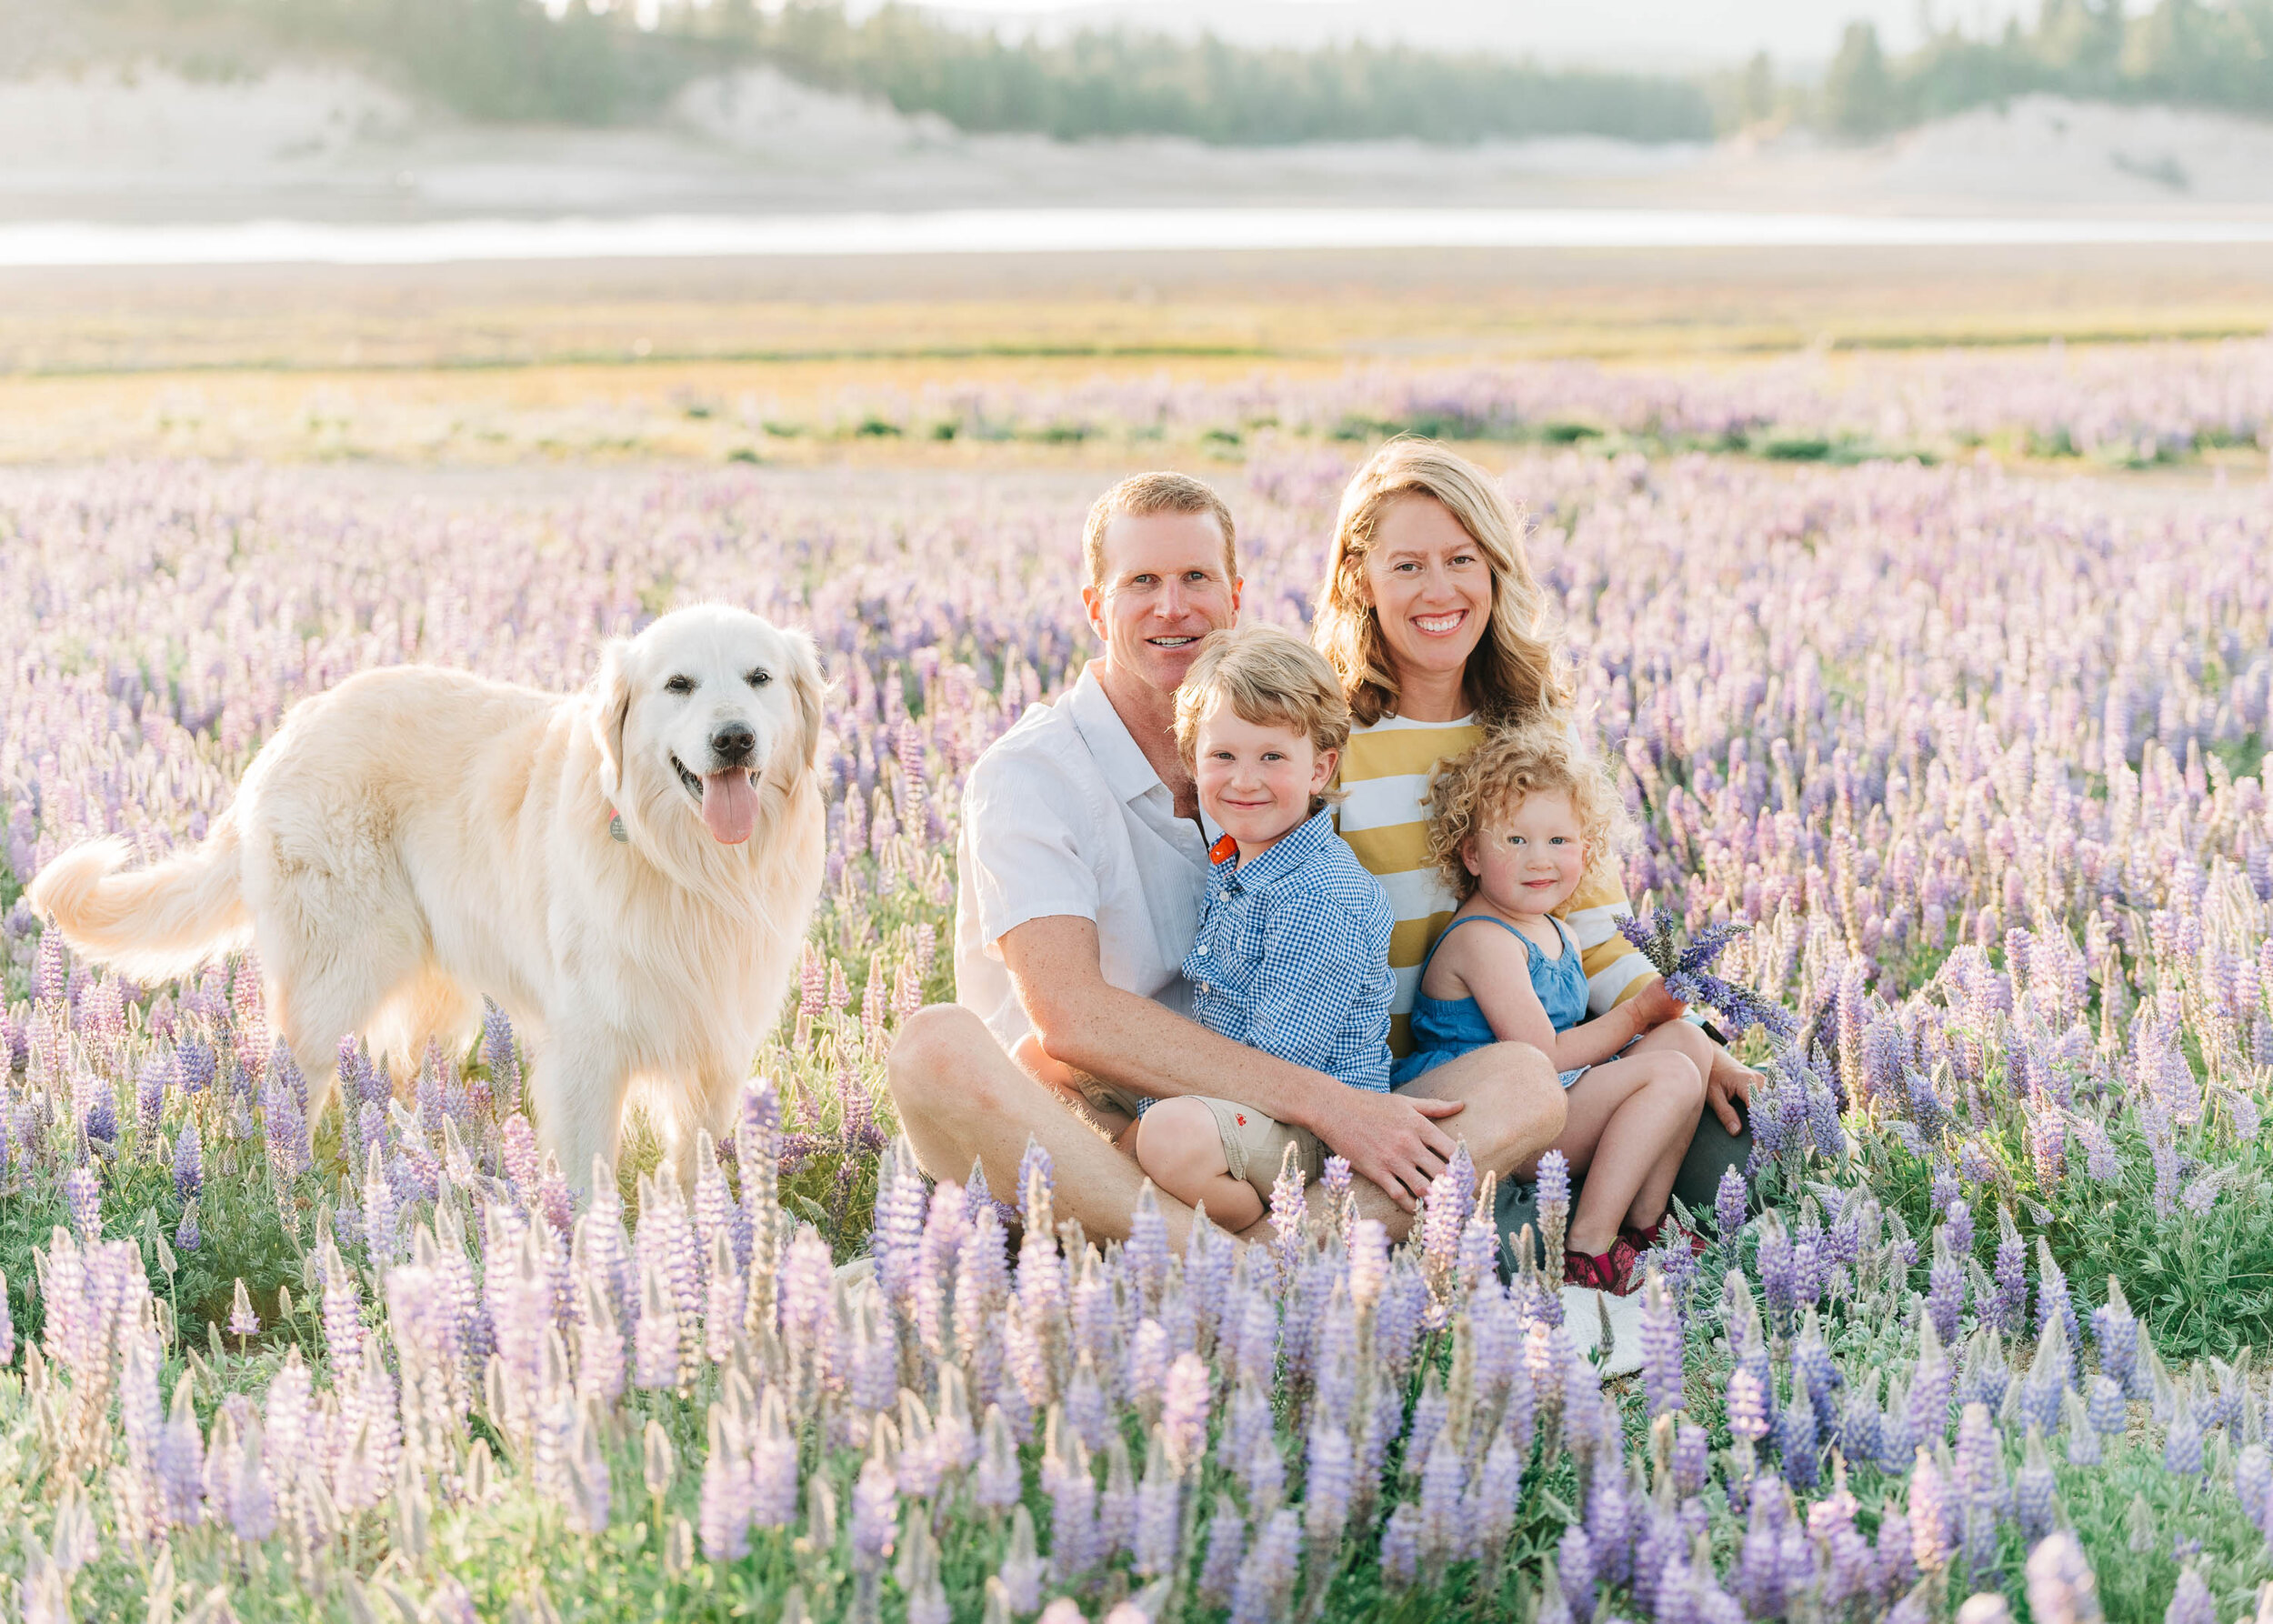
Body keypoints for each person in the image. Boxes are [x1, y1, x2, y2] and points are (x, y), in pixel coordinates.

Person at [887, 471, 1566, 1250]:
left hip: (1254, 1127)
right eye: (1142, 581)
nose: (1173, 607)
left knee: (1522, 1082)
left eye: (1196, 579)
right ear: (1094, 607)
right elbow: (1069, 1017)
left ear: (1235, 597)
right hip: (1086, 1133)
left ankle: (1219, 1263)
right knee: (932, 1048)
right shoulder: (1029, 775)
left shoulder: (1260, 752)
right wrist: (1329, 1105)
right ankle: (1246, 1261)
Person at [1312, 439, 1757, 1219]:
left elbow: (1595, 927)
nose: (1439, 589)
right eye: (1407, 565)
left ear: (1495, 569)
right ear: (1360, 578)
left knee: (1749, 1136)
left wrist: (1689, 1033)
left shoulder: (1537, 733)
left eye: (1462, 559)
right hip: (1400, 1087)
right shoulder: (1327, 739)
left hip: (1558, 1063)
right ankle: (1556, 1227)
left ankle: (1602, 1223)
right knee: (1513, 1200)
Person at [1405, 723, 1715, 1292]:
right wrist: (1638, 1015)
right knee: (1669, 1071)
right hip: (1504, 1121)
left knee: (1691, 1044)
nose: (1539, 860)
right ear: (1471, 853)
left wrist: (1661, 1020)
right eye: (1515, 841)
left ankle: (1643, 1227)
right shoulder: (1484, 940)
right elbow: (1541, 1056)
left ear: (1586, 849)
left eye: (1559, 842)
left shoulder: (1558, 932)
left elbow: (1580, 1046)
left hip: (1559, 1096)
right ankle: (1585, 1249)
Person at [1127, 624, 1394, 1230]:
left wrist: (1150, 1108)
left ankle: (1252, 1235)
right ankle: (1144, 1185)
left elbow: (1276, 1064)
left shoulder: (1320, 896)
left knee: (1167, 1138)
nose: (1244, 780)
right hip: (1237, 1094)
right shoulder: (1239, 858)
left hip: (1313, 1127)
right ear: (1194, 762)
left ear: (1319, 768)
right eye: (1224, 756)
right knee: (1046, 1060)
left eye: (1272, 756)